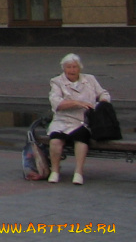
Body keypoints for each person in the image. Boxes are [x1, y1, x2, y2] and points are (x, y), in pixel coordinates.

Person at [47, 53, 112, 184]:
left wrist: (102, 103)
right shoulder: (57, 82)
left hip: (83, 120)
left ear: (79, 68)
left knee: (81, 139)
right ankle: (54, 171)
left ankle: (78, 172)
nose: (72, 70)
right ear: (64, 68)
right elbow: (57, 103)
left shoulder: (90, 79)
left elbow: (103, 93)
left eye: (75, 67)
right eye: (69, 67)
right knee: (55, 141)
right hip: (63, 120)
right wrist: (77, 103)